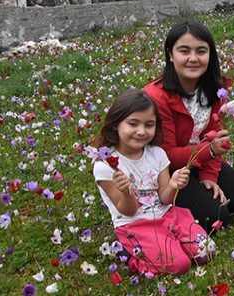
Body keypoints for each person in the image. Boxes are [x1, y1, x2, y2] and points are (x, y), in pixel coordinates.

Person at [144, 18, 234, 233]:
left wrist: (209, 176)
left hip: (198, 162)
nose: (193, 59)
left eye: (201, 51)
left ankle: (199, 189)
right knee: (216, 218)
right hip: (167, 174)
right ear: (170, 54)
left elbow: (212, 136)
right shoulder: (157, 97)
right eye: (184, 51)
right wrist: (210, 151)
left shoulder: (214, 89)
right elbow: (166, 155)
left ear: (210, 54)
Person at [91, 89, 212, 275]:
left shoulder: (157, 154)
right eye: (133, 124)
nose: (141, 131)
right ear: (115, 124)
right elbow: (128, 210)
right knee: (180, 265)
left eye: (149, 125)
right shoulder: (105, 165)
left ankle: (166, 247)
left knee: (206, 252)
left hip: (168, 215)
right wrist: (126, 192)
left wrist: (172, 185)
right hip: (135, 224)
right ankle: (133, 258)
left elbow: (164, 198)